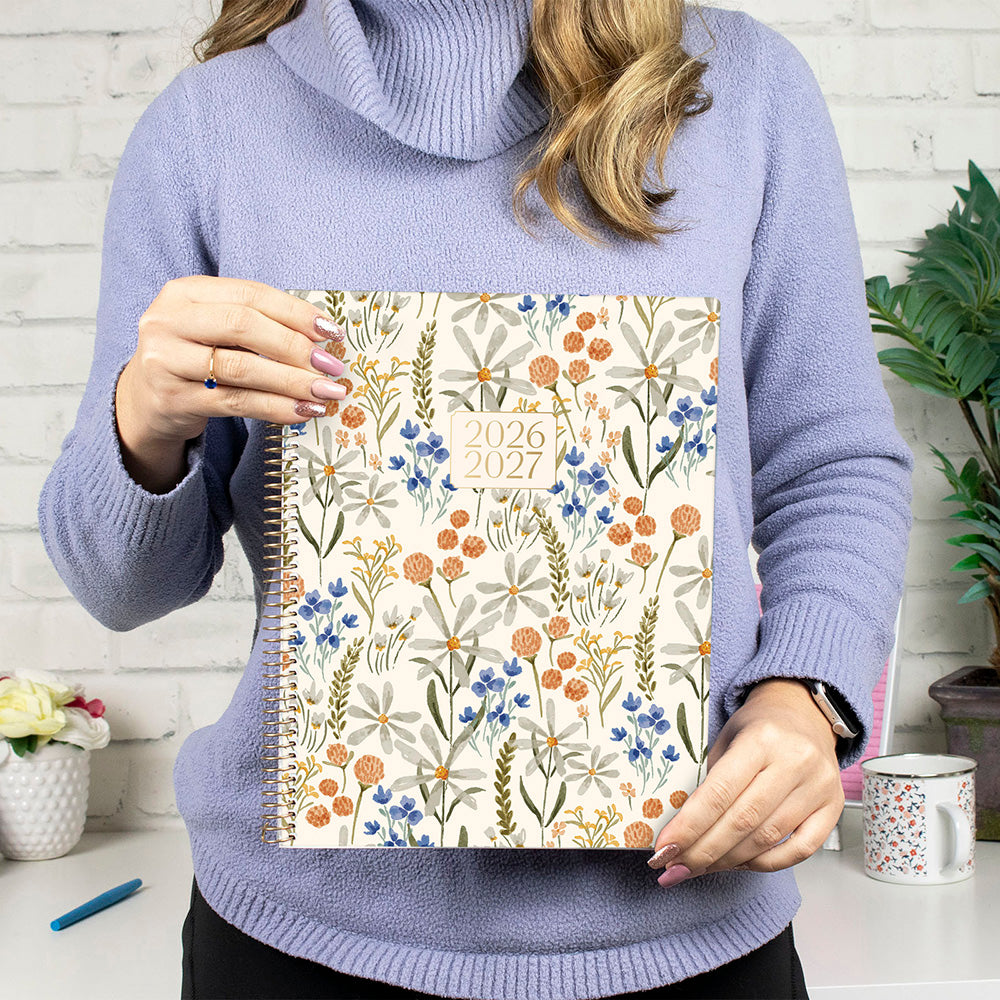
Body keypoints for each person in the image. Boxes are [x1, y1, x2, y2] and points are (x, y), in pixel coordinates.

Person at [36, 1, 914, 998]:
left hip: (691, 919)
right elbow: (123, 589)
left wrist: (805, 700)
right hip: (299, 945)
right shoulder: (208, 128)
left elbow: (834, 462)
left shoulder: (743, 88)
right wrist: (141, 424)